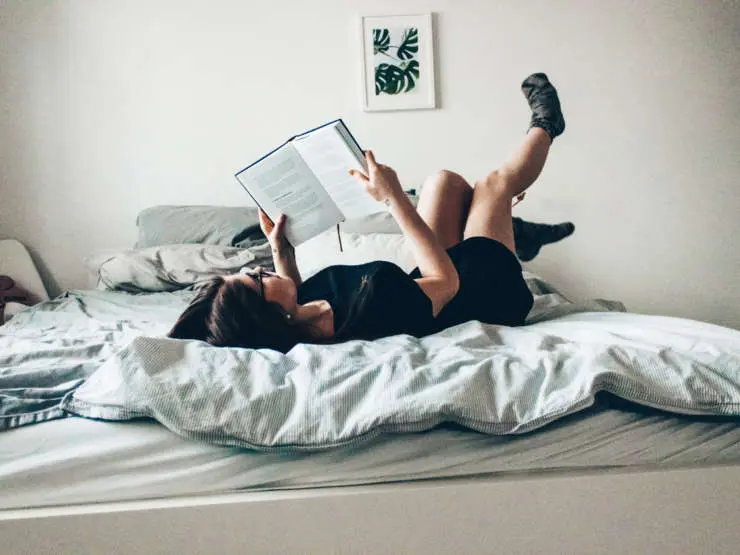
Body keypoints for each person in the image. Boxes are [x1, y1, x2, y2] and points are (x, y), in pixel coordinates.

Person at [168, 72, 566, 353]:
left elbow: (293, 291)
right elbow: (444, 283)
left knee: (444, 182)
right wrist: (393, 198)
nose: (259, 270)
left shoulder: (300, 315)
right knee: (494, 185)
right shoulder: (368, 309)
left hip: (430, 280)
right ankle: (546, 124)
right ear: (270, 317)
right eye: (256, 280)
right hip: (481, 290)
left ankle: (514, 231)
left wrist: (281, 249)